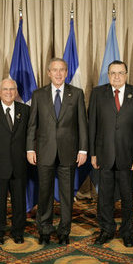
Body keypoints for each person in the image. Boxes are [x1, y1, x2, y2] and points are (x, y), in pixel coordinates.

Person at [27, 58, 88, 245]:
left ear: (67, 72)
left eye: (62, 70)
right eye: (55, 70)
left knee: (66, 195)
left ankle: (64, 231)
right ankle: (44, 229)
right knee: (44, 193)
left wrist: (83, 150)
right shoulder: (38, 94)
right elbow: (32, 125)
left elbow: (82, 125)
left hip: (68, 152)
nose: (59, 73)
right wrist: (30, 148)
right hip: (44, 151)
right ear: (48, 73)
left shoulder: (76, 93)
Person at [88, 60, 133, 247]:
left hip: (128, 156)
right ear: (108, 74)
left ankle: (127, 232)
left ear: (126, 74)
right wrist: (93, 154)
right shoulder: (98, 93)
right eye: (113, 73)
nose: (117, 76)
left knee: (128, 197)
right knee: (104, 196)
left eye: (120, 73)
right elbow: (93, 125)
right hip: (104, 154)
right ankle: (106, 229)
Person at [0, 79, 29, 245]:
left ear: (16, 92)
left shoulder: (26, 110)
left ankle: (18, 232)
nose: (9, 92)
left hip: (19, 165)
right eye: (5, 89)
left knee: (19, 202)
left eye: (12, 89)